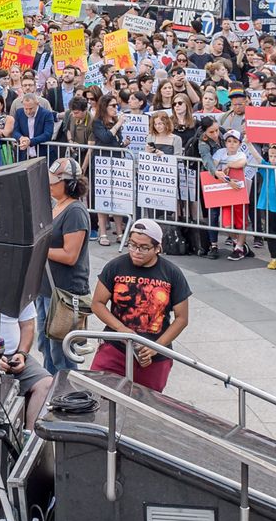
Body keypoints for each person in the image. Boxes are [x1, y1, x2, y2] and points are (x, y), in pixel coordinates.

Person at [89, 218, 192, 392]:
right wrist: (121, 328)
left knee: (145, 403)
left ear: (157, 248)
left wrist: (156, 347)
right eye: (132, 245)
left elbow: (182, 318)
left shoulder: (172, 273)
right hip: (116, 348)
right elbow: (97, 303)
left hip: (154, 357)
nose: (136, 252)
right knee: (97, 395)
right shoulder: (115, 266)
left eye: (144, 248)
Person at [41, 157, 92, 373]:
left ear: (69, 184)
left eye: (54, 182)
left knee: (62, 353)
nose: (49, 186)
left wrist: (40, 250)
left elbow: (70, 255)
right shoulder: (57, 206)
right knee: (46, 347)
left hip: (65, 292)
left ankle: (67, 389)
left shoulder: (75, 212)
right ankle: (50, 387)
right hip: (48, 290)